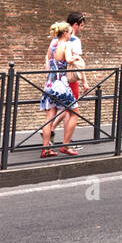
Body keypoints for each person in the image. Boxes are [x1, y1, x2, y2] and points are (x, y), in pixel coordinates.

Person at [39, 21, 79, 156]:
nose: (71, 35)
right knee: (74, 112)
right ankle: (66, 146)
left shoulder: (52, 46)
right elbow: (68, 60)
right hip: (60, 84)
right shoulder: (66, 44)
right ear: (65, 33)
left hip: (49, 83)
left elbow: (48, 64)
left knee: (49, 117)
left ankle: (45, 149)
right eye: (70, 32)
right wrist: (76, 58)